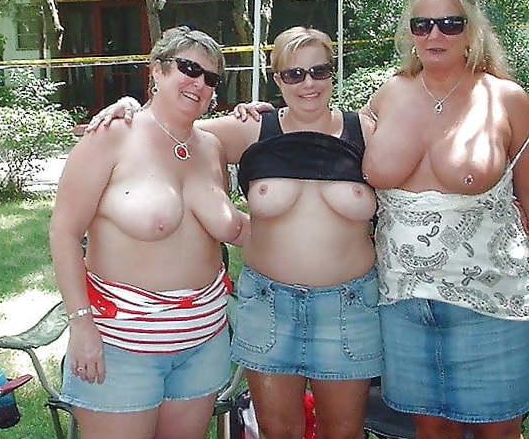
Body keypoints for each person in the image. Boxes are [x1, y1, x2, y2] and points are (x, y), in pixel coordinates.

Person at [87, 26, 382, 439]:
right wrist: (130, 106)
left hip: (348, 306)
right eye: (294, 74)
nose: (308, 83)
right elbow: (171, 128)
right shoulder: (252, 129)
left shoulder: (365, 132)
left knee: (345, 432)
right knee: (277, 431)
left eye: (319, 71)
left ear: (333, 73)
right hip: (269, 304)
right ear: (277, 79)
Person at [362, 0, 529, 439]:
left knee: (499, 432)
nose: (434, 34)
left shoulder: (506, 99)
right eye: (422, 25)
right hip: (402, 301)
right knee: (430, 431)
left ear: (472, 29)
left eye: (450, 23)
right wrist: (265, 116)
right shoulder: (387, 95)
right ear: (409, 32)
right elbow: (326, 143)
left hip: (496, 302)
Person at [49, 26, 250, 439]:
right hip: (121, 344)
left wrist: (256, 109)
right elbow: (64, 232)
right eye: (188, 68)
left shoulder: (212, 147)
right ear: (157, 70)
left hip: (204, 341)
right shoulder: (112, 136)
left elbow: (296, 120)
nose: (199, 83)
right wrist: (81, 325)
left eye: (211, 78)